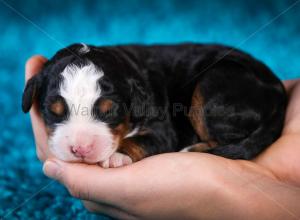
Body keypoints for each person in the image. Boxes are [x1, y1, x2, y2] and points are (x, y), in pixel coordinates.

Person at [25, 55, 300, 220]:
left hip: (240, 82)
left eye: (107, 114)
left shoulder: (135, 89)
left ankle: (218, 141)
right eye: (56, 114)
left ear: (134, 99)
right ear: (35, 96)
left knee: (212, 91)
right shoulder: (119, 81)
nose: (80, 143)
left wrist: (130, 149)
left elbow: (163, 133)